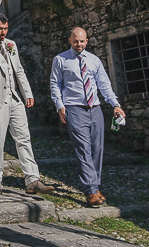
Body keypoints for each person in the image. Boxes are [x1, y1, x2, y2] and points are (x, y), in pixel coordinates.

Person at [0, 14, 55, 195]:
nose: (4, 32)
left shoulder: (11, 45)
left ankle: (32, 179)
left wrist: (27, 93)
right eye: (0, 29)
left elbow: (18, 70)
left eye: (6, 29)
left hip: (14, 98)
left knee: (24, 138)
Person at [50, 27, 126, 207]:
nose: (79, 45)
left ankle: (95, 186)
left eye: (82, 41)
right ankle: (91, 191)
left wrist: (115, 104)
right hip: (74, 109)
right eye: (76, 41)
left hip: (95, 108)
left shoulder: (94, 60)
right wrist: (60, 106)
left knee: (97, 149)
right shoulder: (60, 60)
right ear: (70, 40)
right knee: (83, 149)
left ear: (87, 41)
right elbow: (55, 84)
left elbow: (104, 84)